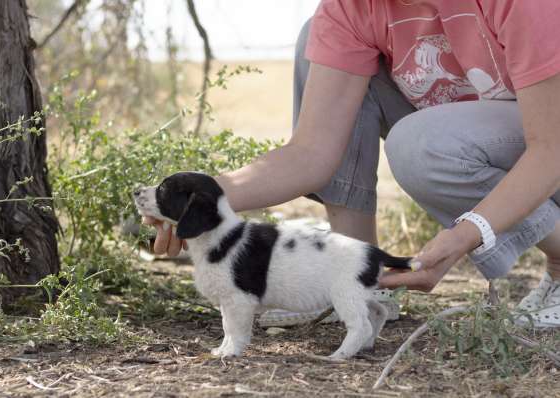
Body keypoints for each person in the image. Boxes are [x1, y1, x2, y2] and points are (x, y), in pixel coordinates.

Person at [146, 0, 560, 328]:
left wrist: (464, 236)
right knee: (319, 40)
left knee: (421, 145)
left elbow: (550, 148)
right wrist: (199, 198)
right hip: (480, 134)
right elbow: (309, 153)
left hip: (546, 134)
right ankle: (360, 277)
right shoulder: (350, 7)